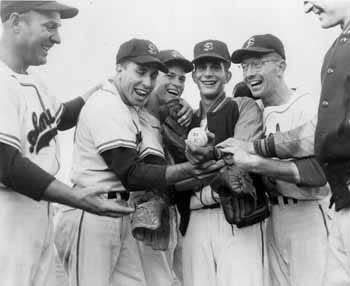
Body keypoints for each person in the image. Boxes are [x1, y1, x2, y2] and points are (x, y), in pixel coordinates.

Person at [54, 39, 221, 286]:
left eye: (153, 75)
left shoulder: (132, 107)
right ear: (119, 69)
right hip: (91, 210)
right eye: (140, 72)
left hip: (117, 212)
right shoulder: (108, 103)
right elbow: (131, 174)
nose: (147, 82)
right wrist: (190, 170)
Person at [0, 1, 133, 286]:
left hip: (38, 213)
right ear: (15, 22)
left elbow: (60, 118)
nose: (58, 37)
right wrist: (76, 197)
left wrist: (105, 87)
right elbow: (4, 163)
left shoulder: (33, 80)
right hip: (8, 218)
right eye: (50, 26)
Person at [222, 2, 350, 285]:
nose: (249, 73)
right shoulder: (251, 113)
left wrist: (257, 162)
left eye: (257, 63)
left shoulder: (305, 104)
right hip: (274, 218)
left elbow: (318, 174)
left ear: (281, 66)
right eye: (244, 66)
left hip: (308, 217)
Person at [179, 39, 266, 286]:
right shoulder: (187, 119)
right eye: (202, 67)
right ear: (194, 75)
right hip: (194, 220)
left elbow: (238, 159)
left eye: (215, 67)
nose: (208, 74)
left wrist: (193, 171)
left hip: (237, 218)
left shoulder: (243, 106)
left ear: (227, 74)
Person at [139, 49, 193, 286]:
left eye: (182, 78)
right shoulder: (132, 112)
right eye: (169, 75)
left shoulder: (174, 118)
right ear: (152, 76)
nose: (177, 83)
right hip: (138, 214)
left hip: (169, 214)